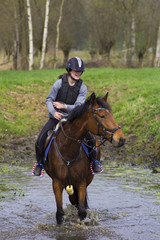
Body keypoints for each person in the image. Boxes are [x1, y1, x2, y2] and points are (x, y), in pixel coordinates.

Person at [34, 57, 102, 176]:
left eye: (80, 71)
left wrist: (64, 106)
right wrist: (53, 112)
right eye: (75, 70)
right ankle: (39, 164)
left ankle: (94, 162)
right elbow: (49, 99)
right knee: (40, 139)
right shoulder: (59, 83)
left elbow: (79, 106)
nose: (78, 73)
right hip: (56, 117)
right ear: (69, 70)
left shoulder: (82, 87)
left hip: (73, 118)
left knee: (91, 139)